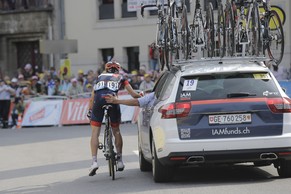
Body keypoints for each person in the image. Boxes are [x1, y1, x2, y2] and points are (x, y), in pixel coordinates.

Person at [87, 61, 141, 176]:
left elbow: (92, 97)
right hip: (112, 100)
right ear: (118, 70)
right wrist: (140, 95)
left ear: (106, 69)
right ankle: (120, 160)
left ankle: (94, 162)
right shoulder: (121, 77)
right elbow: (133, 94)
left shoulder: (100, 77)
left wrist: (90, 110)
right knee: (116, 130)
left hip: (98, 101)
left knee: (95, 133)